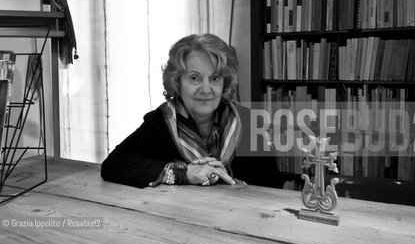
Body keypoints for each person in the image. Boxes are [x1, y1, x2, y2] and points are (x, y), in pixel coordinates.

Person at [101, 33, 282, 188]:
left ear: (224, 83)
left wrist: (230, 183)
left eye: (214, 78)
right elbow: (114, 165)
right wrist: (183, 173)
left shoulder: (249, 122)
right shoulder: (161, 122)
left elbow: (273, 183)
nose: (206, 89)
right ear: (177, 83)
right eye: (195, 78)